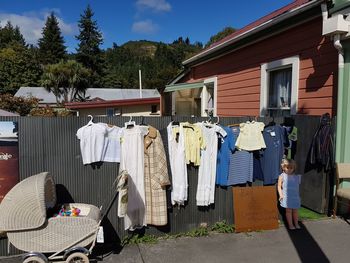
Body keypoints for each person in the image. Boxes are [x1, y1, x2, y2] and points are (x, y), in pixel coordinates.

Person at [277, 159, 301, 230]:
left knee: (295, 211)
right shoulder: (282, 176)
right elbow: (279, 186)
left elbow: (297, 187)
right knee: (288, 211)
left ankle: (296, 224)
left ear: (294, 168)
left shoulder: (296, 176)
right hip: (287, 197)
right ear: (283, 167)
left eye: (291, 168)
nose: (289, 170)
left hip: (295, 197)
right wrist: (281, 194)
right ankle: (290, 225)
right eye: (287, 168)